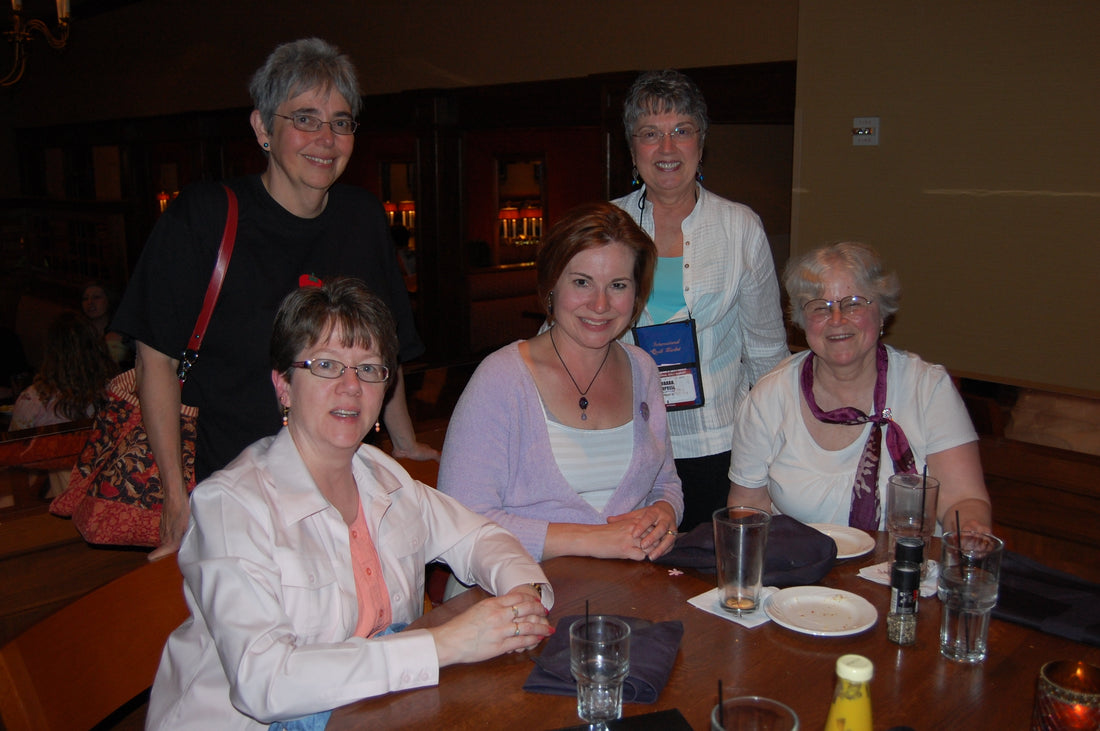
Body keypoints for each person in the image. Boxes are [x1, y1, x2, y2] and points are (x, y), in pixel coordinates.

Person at [147, 279, 552, 730]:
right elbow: (263, 682)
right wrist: (445, 644)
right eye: (326, 365)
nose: (351, 387)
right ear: (283, 385)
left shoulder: (382, 475)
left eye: (369, 369)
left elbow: (479, 536)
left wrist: (524, 597)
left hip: (368, 714)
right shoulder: (232, 504)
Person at [112, 38, 438, 561]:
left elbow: (384, 349)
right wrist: (178, 501)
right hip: (236, 498)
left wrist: (402, 443)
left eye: (341, 121)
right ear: (263, 129)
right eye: (305, 119)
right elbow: (156, 362)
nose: (325, 139)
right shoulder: (203, 217)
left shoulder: (362, 218)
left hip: (345, 484)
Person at [438, 202, 683, 564]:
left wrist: (665, 512)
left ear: (636, 296)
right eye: (582, 282)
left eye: (618, 285)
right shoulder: (502, 379)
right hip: (516, 594)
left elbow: (665, 483)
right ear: (552, 285)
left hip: (626, 593)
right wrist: (593, 539)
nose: (600, 304)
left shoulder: (643, 368)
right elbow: (457, 526)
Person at [612, 69, 788, 532]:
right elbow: (563, 337)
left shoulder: (740, 228)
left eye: (681, 131)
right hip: (624, 445)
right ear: (633, 149)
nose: (667, 149)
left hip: (720, 447)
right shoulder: (606, 226)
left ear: (701, 143)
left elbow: (768, 357)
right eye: (650, 134)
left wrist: (773, 457)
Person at [727, 242, 992, 534]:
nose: (837, 320)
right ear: (803, 323)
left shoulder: (928, 388)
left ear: (882, 313)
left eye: (853, 304)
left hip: (906, 570)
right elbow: (747, 506)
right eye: (820, 308)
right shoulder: (769, 396)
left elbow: (963, 499)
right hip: (802, 572)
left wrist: (970, 529)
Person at [8, 312, 116, 496]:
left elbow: (14, 456)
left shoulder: (34, 399)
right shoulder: (113, 393)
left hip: (48, 496)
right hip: (104, 489)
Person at [81, 280, 132, 369]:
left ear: (109, 300)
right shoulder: (79, 333)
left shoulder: (120, 333)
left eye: (96, 297)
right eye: (85, 298)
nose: (90, 302)